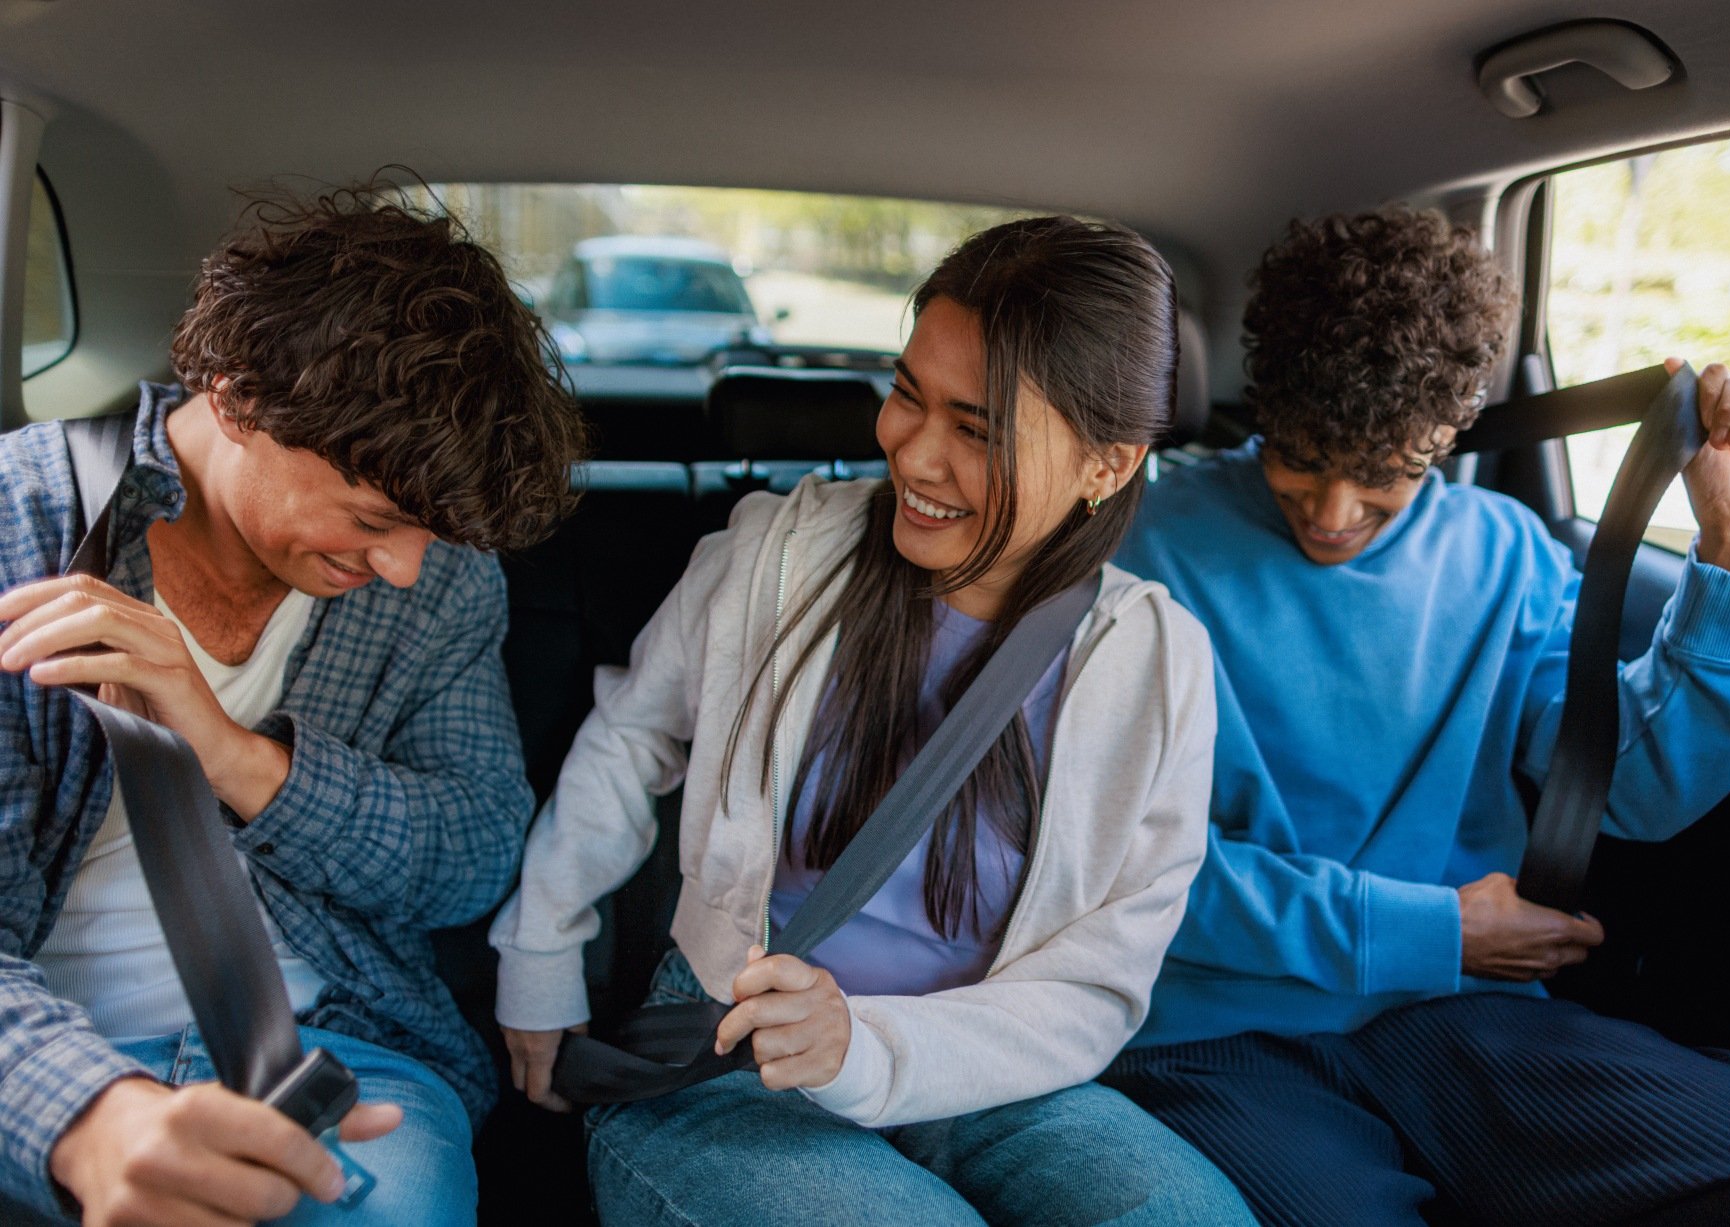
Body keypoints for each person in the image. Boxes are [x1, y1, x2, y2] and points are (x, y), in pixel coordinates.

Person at [489, 216, 1255, 1225]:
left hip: (992, 1068)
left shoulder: (1156, 665)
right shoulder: (775, 557)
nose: (914, 454)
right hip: (734, 1046)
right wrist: (540, 957)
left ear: (1106, 466)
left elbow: (1100, 977)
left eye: (977, 430)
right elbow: (633, 737)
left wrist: (868, 1047)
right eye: (906, 393)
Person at [1104, 206, 1730, 1227]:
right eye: (1302, 456)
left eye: (1387, 474)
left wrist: (1727, 549)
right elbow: (1112, 869)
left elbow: (1633, 788)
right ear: (1267, 405)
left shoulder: (1508, 553)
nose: (1332, 513)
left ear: (1448, 436)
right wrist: (1430, 929)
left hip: (1462, 1011)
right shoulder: (1138, 544)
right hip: (1211, 1028)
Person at [0, 184, 588, 1226]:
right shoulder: (19, 525)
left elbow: (472, 854)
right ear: (238, 401)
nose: (405, 570)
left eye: (428, 534)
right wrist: (83, 1115)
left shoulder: (444, 581)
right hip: (48, 1056)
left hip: (341, 1056)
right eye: (374, 519)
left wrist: (234, 755)